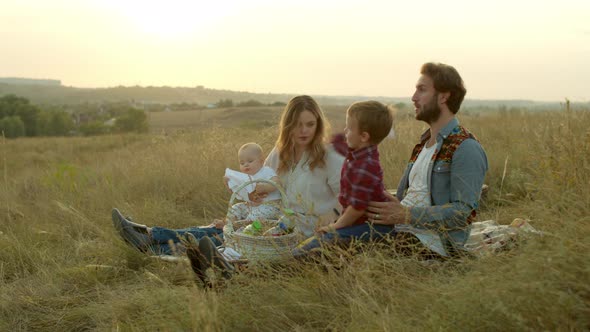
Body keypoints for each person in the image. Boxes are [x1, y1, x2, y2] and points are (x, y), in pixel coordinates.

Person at [112, 95, 344, 257]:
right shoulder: (281, 152)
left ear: (318, 124)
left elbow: (348, 199)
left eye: (310, 124)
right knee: (218, 229)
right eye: (297, 125)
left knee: (221, 240)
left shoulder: (330, 156)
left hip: (299, 232)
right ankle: (148, 235)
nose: (304, 131)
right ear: (287, 125)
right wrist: (250, 196)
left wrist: (330, 223)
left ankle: (150, 243)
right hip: (270, 221)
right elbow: (264, 186)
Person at [365, 62, 489, 257]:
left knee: (351, 245)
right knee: (341, 230)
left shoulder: (465, 147)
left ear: (443, 96)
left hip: (432, 245)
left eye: (421, 90)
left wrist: (406, 215)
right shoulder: (423, 145)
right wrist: (386, 202)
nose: (413, 98)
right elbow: (413, 197)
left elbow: (462, 213)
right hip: (402, 232)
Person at [292, 100, 396, 254]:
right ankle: (292, 254)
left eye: (349, 128)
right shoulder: (360, 154)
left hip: (372, 226)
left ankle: (286, 261)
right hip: (359, 222)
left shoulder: (365, 166)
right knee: (320, 238)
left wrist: (336, 225)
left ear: (364, 136)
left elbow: (357, 208)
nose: (345, 130)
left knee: (325, 240)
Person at [225, 142, 281, 224]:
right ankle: (229, 224)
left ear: (261, 161)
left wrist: (265, 187)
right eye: (242, 163)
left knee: (254, 216)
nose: (246, 165)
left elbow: (277, 182)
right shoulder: (245, 177)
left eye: (250, 161)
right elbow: (240, 193)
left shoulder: (266, 171)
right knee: (235, 208)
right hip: (251, 207)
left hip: (269, 206)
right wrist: (231, 184)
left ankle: (244, 229)